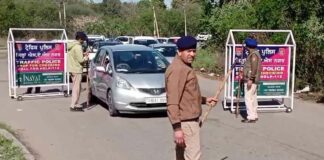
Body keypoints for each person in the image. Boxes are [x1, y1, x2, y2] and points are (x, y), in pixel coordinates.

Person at [165, 36, 217, 160]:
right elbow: (172, 100)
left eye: (194, 51)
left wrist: (204, 100)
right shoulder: (178, 69)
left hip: (187, 121)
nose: (192, 54)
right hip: (186, 123)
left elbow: (188, 94)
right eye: (188, 51)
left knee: (181, 157)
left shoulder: (184, 66)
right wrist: (177, 128)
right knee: (194, 157)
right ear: (179, 52)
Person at [67, 31, 89, 112]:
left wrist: (83, 54)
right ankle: (73, 105)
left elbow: (76, 56)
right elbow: (81, 60)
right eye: (83, 39)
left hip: (72, 69)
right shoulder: (78, 47)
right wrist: (86, 57)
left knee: (77, 87)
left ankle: (75, 104)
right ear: (80, 39)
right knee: (76, 88)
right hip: (76, 69)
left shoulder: (72, 45)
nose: (83, 40)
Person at [241, 37, 262, 123]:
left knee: (248, 98)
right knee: (253, 97)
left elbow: (254, 68)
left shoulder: (253, 55)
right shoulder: (255, 54)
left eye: (246, 45)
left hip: (251, 80)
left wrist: (250, 79)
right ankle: (254, 115)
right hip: (253, 80)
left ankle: (251, 117)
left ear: (247, 46)